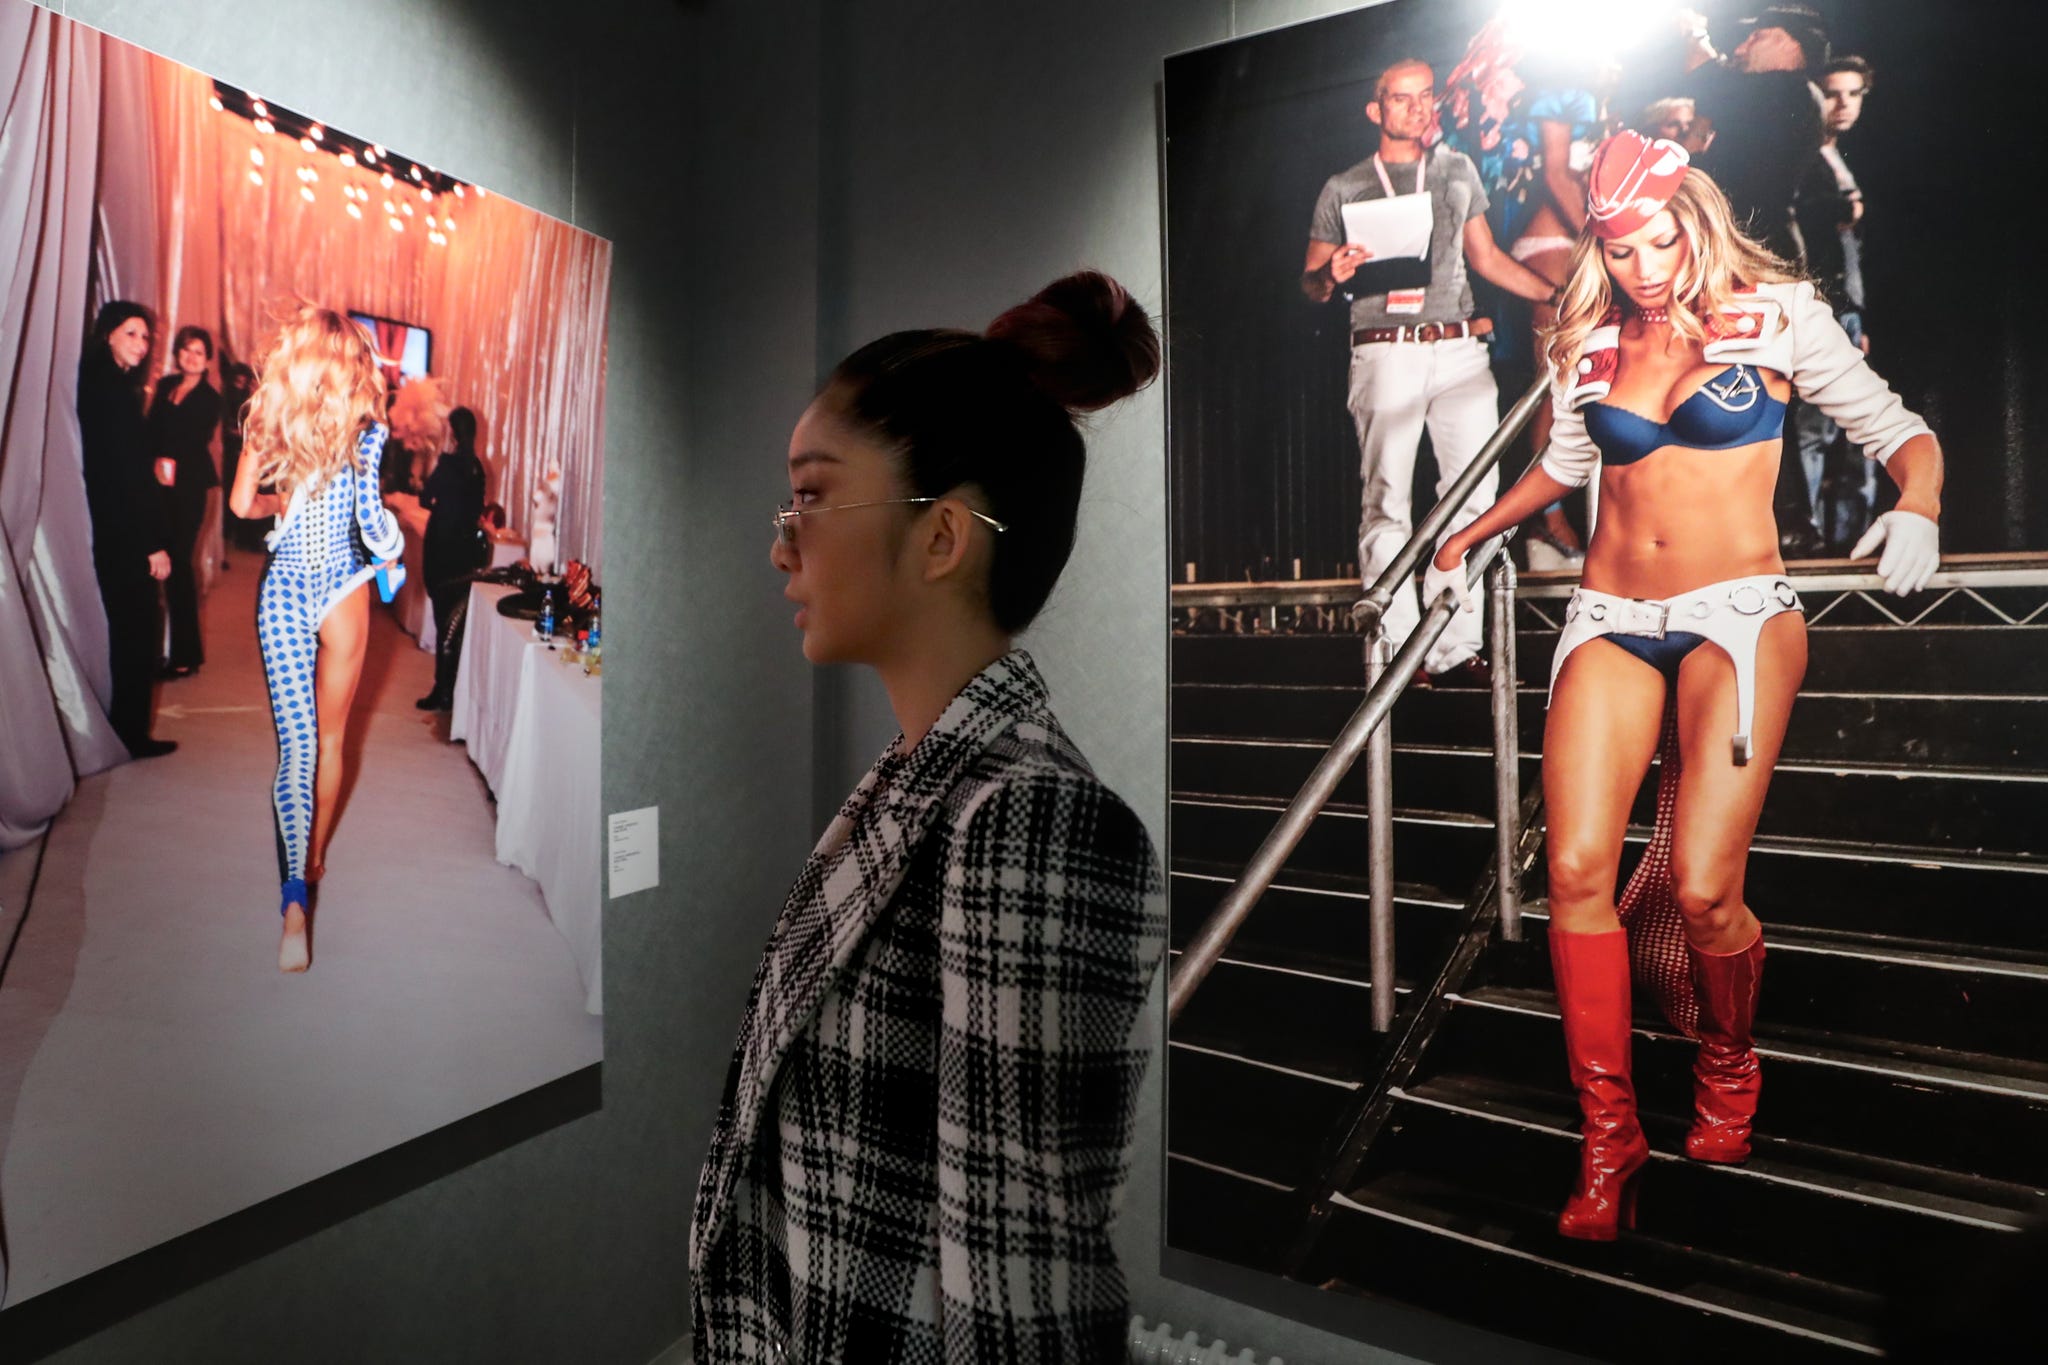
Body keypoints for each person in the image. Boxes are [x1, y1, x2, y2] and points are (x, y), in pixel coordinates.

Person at [1425, 133, 1943, 1241]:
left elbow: (1902, 434)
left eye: (1657, 240)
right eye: (1617, 249)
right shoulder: (1591, 342)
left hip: (1737, 616)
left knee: (1705, 891)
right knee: (1570, 870)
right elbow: (1564, 467)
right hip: (1609, 614)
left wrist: (1919, 503)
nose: (1641, 266)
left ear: (1693, 220)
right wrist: (1473, 528)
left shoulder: (1778, 311)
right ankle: (1606, 1137)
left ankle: (1725, 1053)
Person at [690, 272, 1167, 1363]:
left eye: (812, 497)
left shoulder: (1030, 820)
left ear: (944, 535)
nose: (781, 545)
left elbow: (1021, 1288)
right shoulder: (913, 783)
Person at [1302, 57, 1556, 679]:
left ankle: (1453, 646)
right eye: (1402, 99)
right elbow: (1310, 283)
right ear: (1376, 108)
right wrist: (1330, 275)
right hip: (1384, 348)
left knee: (1473, 496)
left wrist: (1554, 293)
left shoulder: (1455, 168)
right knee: (1387, 497)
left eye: (1425, 98)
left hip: (1459, 347)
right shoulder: (1345, 185)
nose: (1416, 109)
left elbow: (1488, 257)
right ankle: (1394, 649)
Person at [229, 307, 404, 973]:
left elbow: (244, 505)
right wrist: (392, 548)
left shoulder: (269, 424)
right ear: (353, 366)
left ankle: (293, 904)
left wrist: (283, 502)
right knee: (331, 740)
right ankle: (316, 850)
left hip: (285, 590)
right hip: (343, 592)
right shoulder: (367, 435)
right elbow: (373, 525)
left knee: (295, 746)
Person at [77, 301, 176, 760]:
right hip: (125, 531)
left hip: (110, 525)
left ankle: (126, 729)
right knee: (137, 632)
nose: (142, 344)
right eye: (132, 334)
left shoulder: (103, 384)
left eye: (146, 337)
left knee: (130, 631)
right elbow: (128, 477)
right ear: (109, 334)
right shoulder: (112, 392)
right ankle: (130, 735)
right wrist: (153, 544)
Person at [1792, 55, 1878, 551]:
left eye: (1853, 94)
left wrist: (1858, 316)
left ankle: (1851, 539)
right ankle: (1809, 538)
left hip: (1848, 308)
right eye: (1832, 93)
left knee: (1855, 427)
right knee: (1813, 427)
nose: (1842, 105)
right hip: (1819, 307)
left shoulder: (1842, 157)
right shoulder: (1802, 159)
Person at [1674, 5, 1827, 265]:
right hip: (1754, 241)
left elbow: (1703, 71)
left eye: (1756, 37)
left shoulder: (1786, 89)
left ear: (1788, 43)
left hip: (1756, 245)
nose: (1740, 48)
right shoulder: (1783, 96)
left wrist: (1693, 31)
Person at [148, 325, 223, 677]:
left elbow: (190, 439)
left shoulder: (210, 398)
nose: (191, 357)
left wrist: (167, 460)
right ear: (177, 353)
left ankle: (185, 654)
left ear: (207, 359)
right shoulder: (165, 386)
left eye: (198, 352)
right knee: (152, 562)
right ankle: (152, 648)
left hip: (189, 487)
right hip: (156, 484)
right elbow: (152, 431)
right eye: (186, 350)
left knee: (179, 564)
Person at [414, 405, 488, 711]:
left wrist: (442, 506)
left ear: (453, 433)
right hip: (465, 550)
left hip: (442, 547)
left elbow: (424, 498)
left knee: (443, 619)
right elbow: (475, 511)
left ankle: (442, 690)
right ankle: (452, 689)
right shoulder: (478, 469)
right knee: (456, 621)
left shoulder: (447, 465)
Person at [219, 361, 261, 553]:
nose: (243, 385)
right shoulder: (229, 398)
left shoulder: (254, 401)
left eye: (247, 382)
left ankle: (246, 538)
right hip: (232, 451)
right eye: (239, 382)